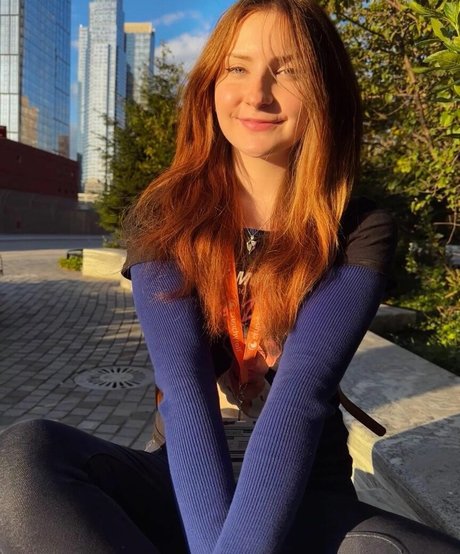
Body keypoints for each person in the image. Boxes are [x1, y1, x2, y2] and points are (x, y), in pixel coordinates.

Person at [0, 1, 459, 553]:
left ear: (326, 90)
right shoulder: (165, 216)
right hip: (182, 482)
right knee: (24, 459)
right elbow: (185, 394)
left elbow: (300, 401)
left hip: (303, 493)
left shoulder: (358, 228)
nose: (257, 94)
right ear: (210, 85)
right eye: (237, 68)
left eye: (288, 71)